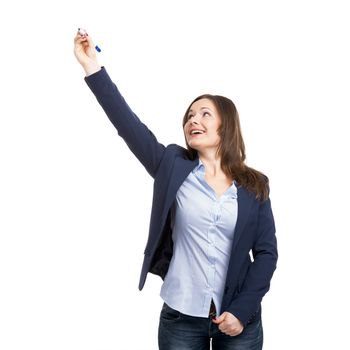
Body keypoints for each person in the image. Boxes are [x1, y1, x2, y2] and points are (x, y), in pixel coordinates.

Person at [73, 30, 278, 350]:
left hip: (239, 318)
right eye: (189, 116)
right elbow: (128, 126)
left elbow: (266, 253)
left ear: (226, 125)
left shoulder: (255, 185)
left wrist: (241, 310)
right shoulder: (172, 165)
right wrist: (93, 68)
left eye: (204, 114)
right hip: (181, 317)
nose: (192, 120)